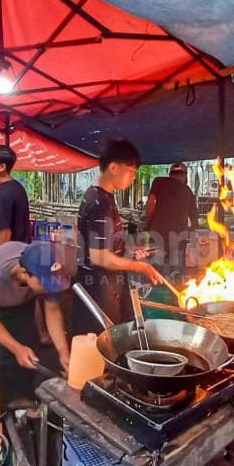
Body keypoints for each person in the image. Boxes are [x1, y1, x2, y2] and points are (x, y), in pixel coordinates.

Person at [0, 241, 71, 449]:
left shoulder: (45, 270)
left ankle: (19, 400)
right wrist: (15, 348)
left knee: (29, 349)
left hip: (21, 301)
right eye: (46, 283)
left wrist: (63, 352)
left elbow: (52, 310)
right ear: (25, 273)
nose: (52, 287)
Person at [73, 137, 162, 334]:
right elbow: (100, 256)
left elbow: (106, 243)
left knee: (113, 336)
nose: (133, 178)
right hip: (98, 285)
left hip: (107, 281)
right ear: (113, 167)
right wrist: (142, 267)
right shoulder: (99, 202)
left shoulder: (105, 197)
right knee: (102, 340)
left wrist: (128, 251)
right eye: (130, 172)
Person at [145, 162, 199, 275]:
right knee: (177, 275)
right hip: (178, 239)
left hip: (157, 235)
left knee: (155, 273)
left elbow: (150, 203)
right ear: (185, 176)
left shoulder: (159, 181)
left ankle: (155, 290)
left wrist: (149, 223)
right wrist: (193, 240)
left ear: (170, 174)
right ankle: (178, 290)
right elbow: (194, 221)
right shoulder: (188, 192)